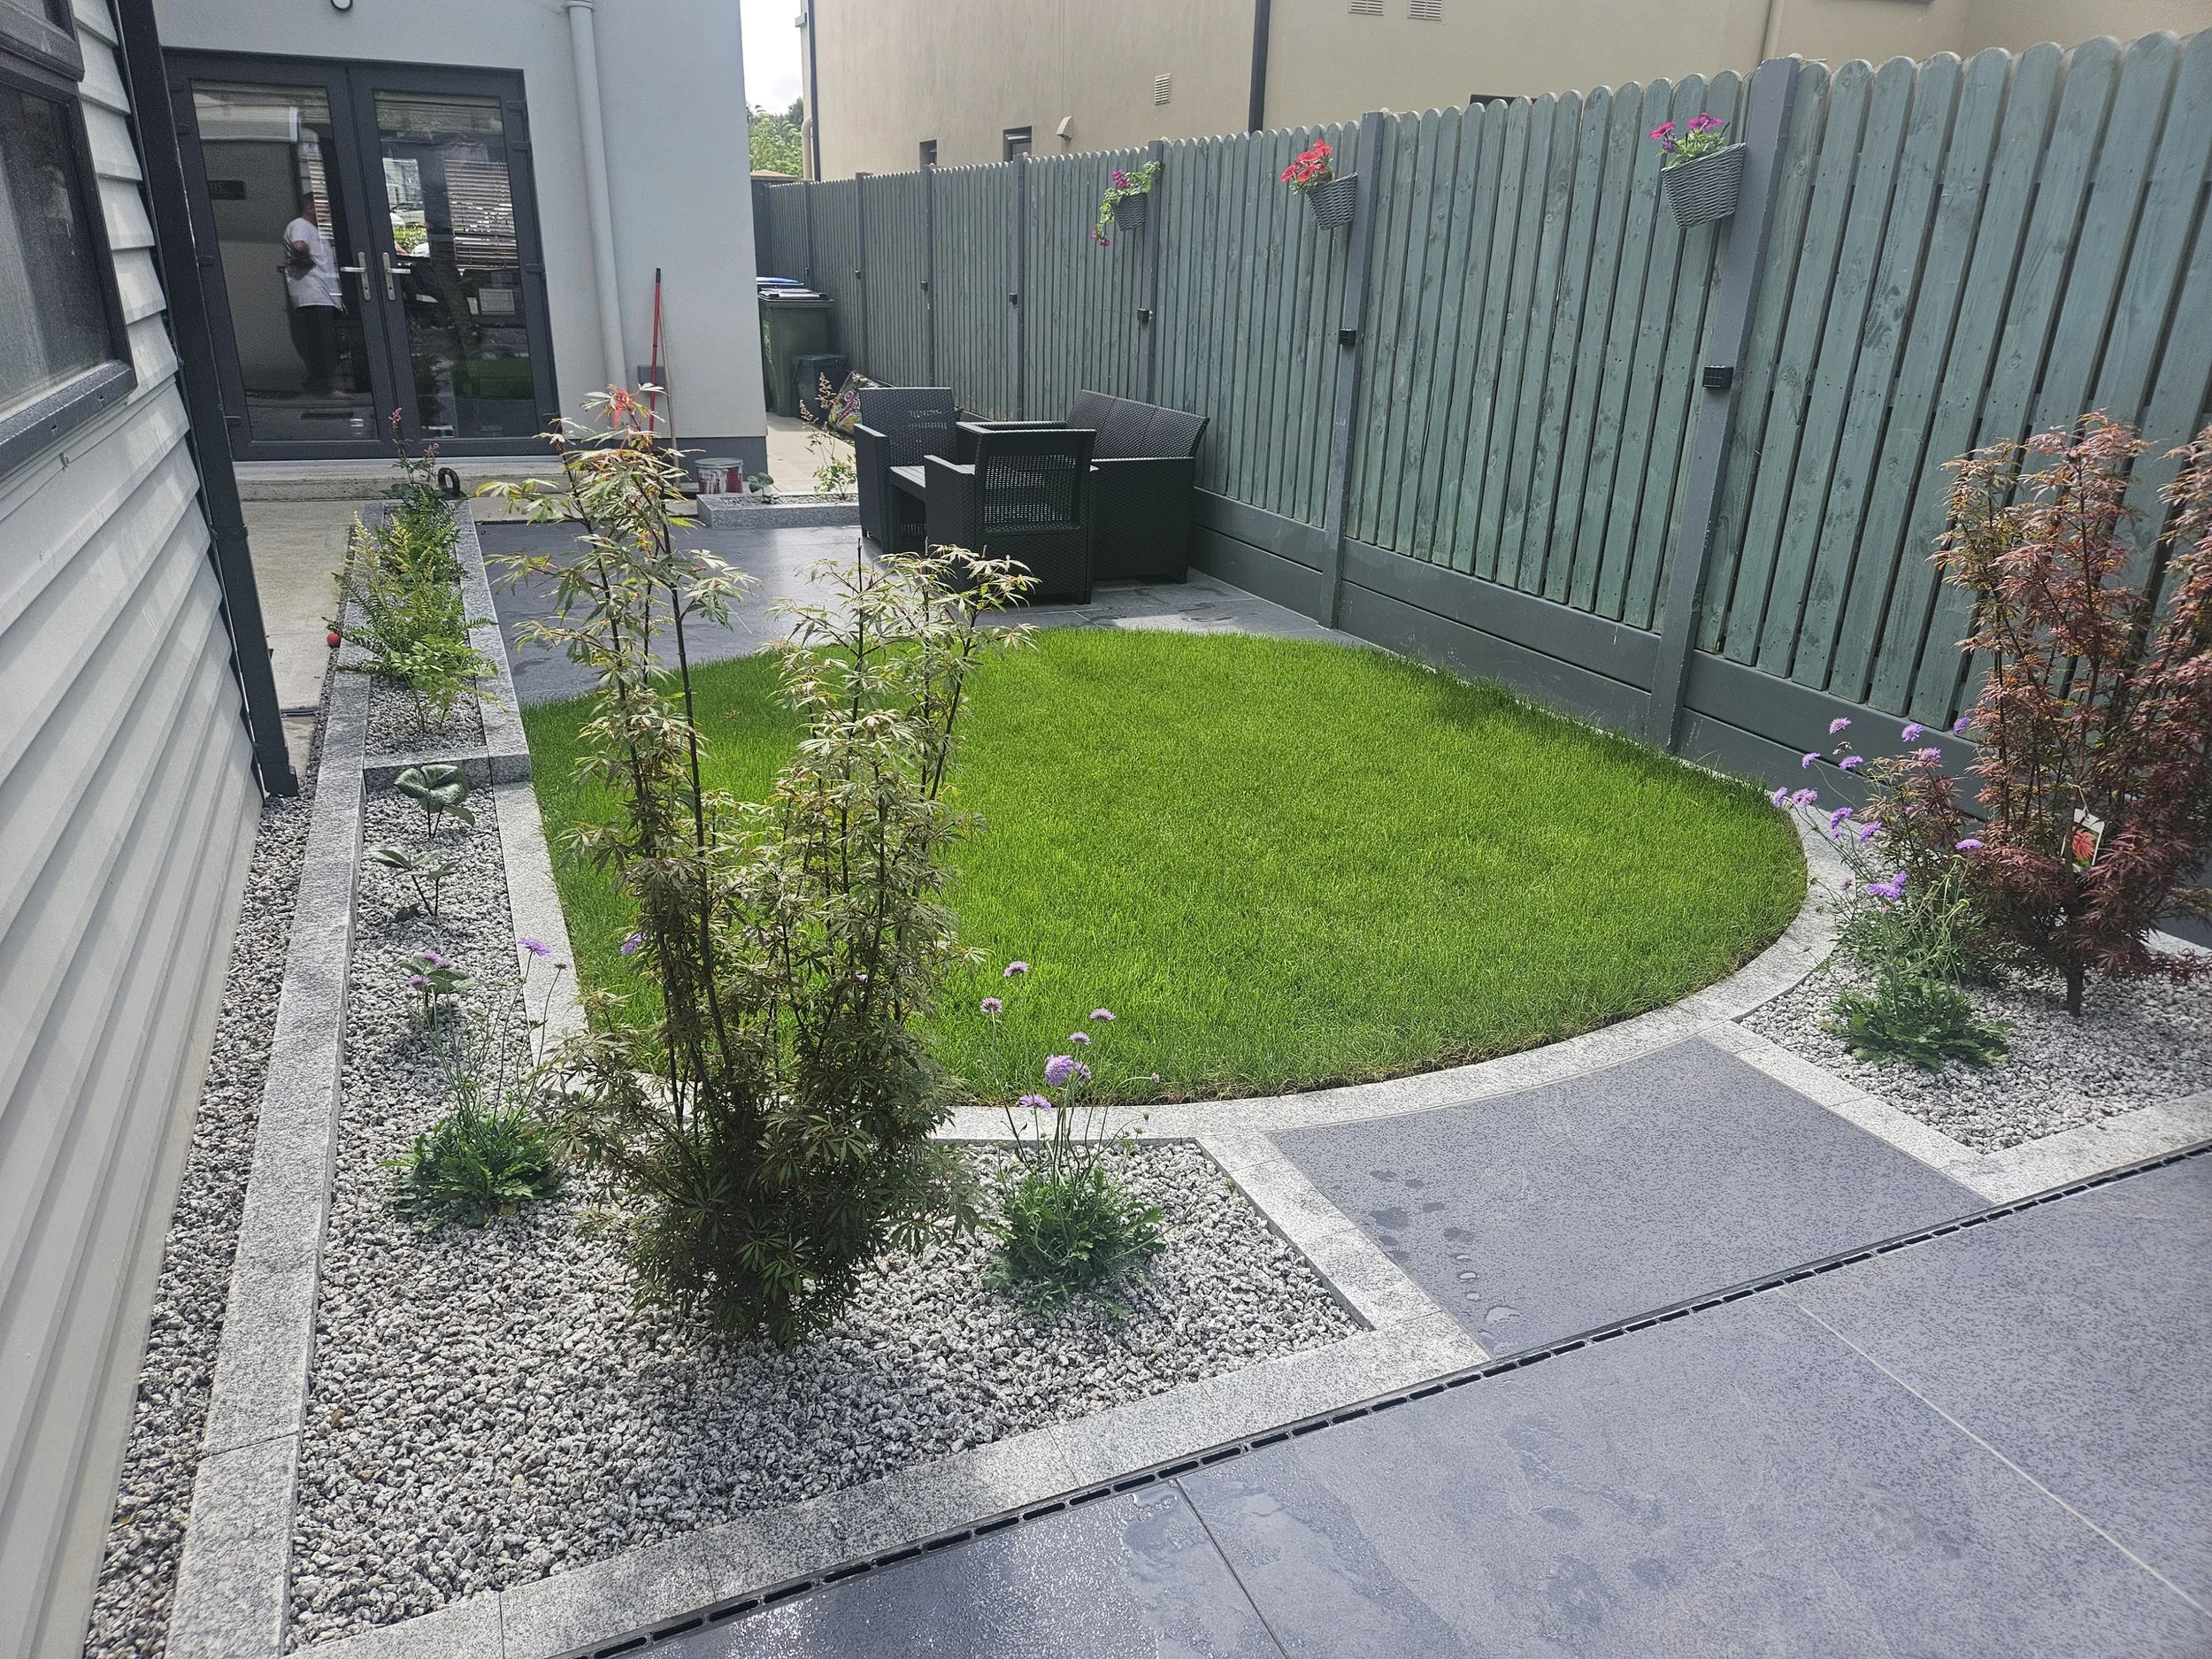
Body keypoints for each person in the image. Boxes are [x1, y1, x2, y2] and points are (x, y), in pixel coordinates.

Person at [281, 191, 343, 396]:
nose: (327, 211)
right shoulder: (300, 225)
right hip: (312, 294)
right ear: (310, 206)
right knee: (320, 341)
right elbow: (299, 245)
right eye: (323, 206)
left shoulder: (317, 230)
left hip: (323, 294)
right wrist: (303, 256)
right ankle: (322, 386)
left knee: (326, 340)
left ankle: (320, 383)